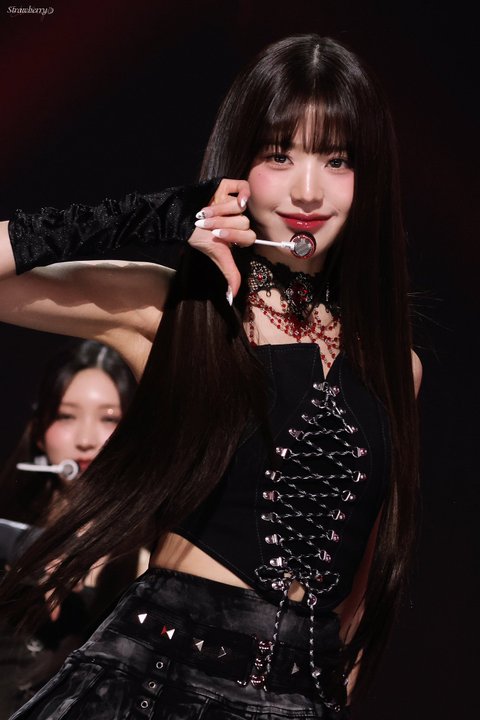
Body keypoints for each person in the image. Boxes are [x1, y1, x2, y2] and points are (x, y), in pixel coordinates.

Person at [0, 34, 422, 719]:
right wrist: (159, 214)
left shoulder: (398, 368)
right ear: (239, 166)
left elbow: (357, 594)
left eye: (337, 159)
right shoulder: (181, 310)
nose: (308, 189)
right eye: (279, 154)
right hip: (154, 686)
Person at [0, 340, 139, 716]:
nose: (86, 439)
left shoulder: (155, 552)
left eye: (109, 418)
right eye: (66, 416)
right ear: (39, 431)